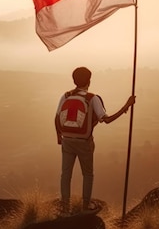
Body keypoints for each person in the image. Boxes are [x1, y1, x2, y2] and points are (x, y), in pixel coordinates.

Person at [55, 66, 135, 213]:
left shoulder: (65, 96)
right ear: (89, 81)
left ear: (74, 80)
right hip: (84, 142)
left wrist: (59, 137)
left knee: (65, 174)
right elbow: (107, 119)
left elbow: (57, 117)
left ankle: (65, 206)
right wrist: (126, 105)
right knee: (88, 174)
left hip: (67, 140)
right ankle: (86, 206)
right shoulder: (93, 98)